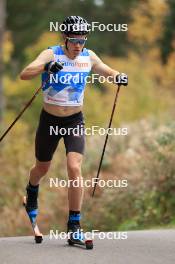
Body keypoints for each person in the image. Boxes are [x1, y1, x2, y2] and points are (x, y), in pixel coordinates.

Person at [20, 15, 128, 242]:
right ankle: (31, 190)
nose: (78, 46)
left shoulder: (88, 56)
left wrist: (118, 76)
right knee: (42, 168)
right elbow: (25, 73)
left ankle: (74, 225)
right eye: (74, 41)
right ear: (65, 39)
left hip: (74, 121)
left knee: (74, 167)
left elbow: (105, 70)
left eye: (82, 40)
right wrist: (46, 66)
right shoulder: (52, 53)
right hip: (49, 121)